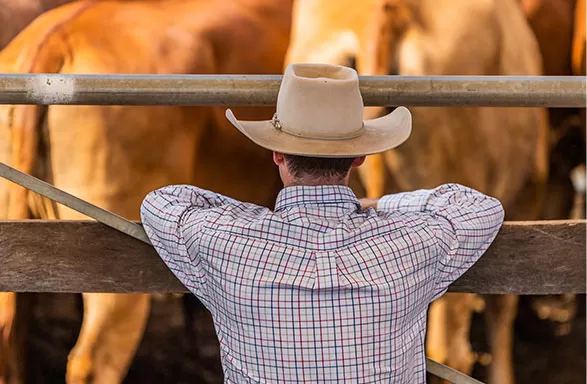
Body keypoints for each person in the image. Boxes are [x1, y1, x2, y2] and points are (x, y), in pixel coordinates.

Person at [140, 63, 505, 383]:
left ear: (277, 154)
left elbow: (162, 202)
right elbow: (480, 207)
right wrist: (382, 203)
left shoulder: (222, 241)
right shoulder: (414, 242)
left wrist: (254, 215)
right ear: (359, 158)